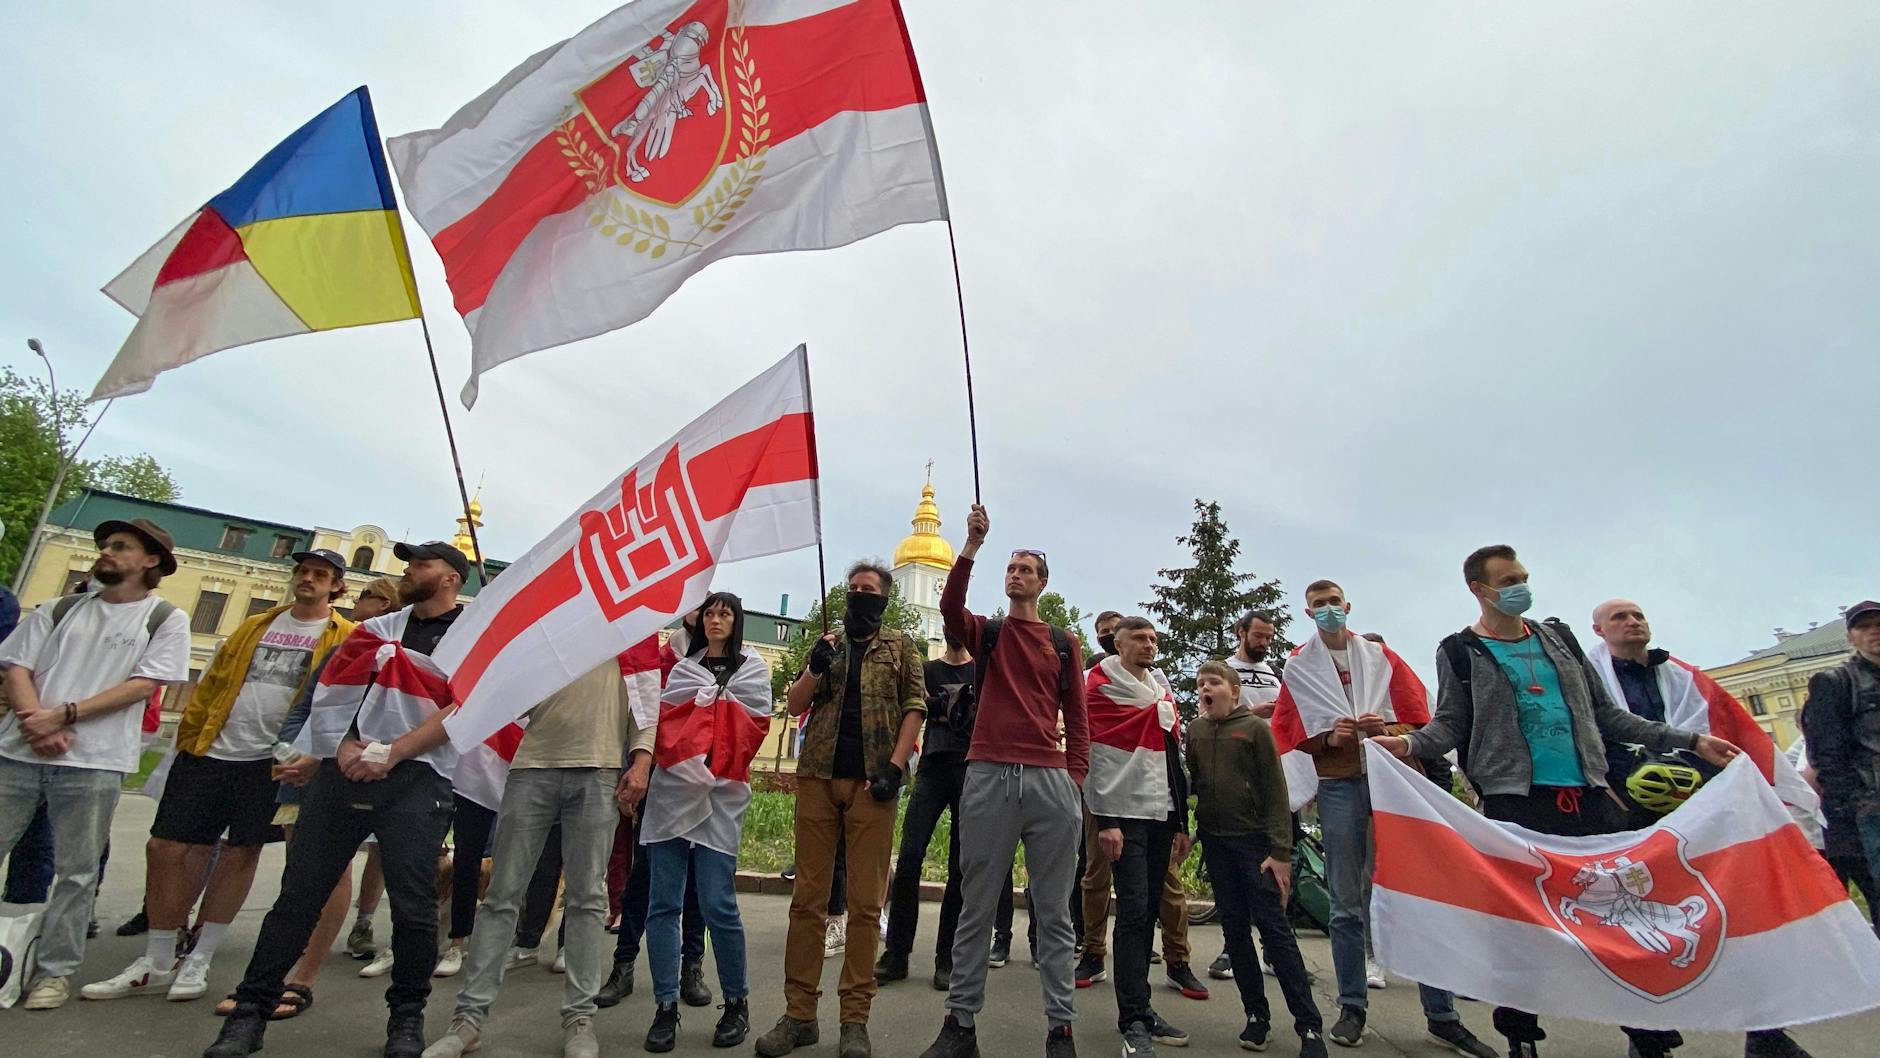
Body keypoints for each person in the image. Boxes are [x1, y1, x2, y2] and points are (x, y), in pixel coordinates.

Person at [1375, 545, 1739, 1058]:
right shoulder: (1461, 650)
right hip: (1516, 803)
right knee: (1523, 928)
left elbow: (1608, 716)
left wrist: (1690, 741)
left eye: (1523, 576)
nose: (1520, 586)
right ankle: (1521, 1036)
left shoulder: (1558, 640)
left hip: (1590, 797)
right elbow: (1453, 723)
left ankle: (1646, 1034)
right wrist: (1408, 744)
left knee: (1622, 913)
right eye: (1507, 580)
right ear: (1479, 590)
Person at [203, 541, 470, 1058]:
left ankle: (406, 1020)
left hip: (418, 778)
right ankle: (249, 1016)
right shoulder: (375, 632)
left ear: (451, 578)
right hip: (342, 773)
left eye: (422, 563)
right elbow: (334, 692)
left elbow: (466, 706)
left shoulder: (470, 638)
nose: (409, 569)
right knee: (297, 898)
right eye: (408, 561)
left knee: (414, 909)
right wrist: (341, 746)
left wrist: (392, 753)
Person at [83, 550, 354, 1003]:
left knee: (239, 853)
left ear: (336, 587)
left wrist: (310, 755)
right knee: (168, 846)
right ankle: (157, 956)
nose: (307, 579)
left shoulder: (344, 637)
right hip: (212, 748)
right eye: (302, 571)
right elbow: (213, 681)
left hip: (271, 762)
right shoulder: (257, 624)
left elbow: (337, 702)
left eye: (319, 575)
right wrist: (191, 735)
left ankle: (201, 956)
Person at [1270, 580, 1494, 1057]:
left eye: (1334, 602)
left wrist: (1385, 727)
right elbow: (1292, 728)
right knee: (1346, 902)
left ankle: (1442, 1014)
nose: (1329, 610)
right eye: (1319, 606)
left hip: (1393, 780)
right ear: (1308, 614)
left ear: (1348, 606)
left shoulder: (1382, 658)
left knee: (1417, 894)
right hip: (1339, 782)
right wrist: (1329, 740)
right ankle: (1352, 1006)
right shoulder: (1299, 665)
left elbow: (1421, 718)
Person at [1585, 599, 1817, 1058]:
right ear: (1598, 630)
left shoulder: (1686, 680)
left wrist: (1694, 779)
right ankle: (1648, 1038)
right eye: (1620, 617)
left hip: (1699, 815)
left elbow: (1722, 736)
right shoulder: (1587, 682)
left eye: (1638, 615)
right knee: (1635, 930)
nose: (1633, 622)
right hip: (1626, 820)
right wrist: (1617, 791)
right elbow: (1589, 737)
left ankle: (1767, 1032)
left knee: (1737, 917)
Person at [421, 655, 656, 1058]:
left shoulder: (628, 624)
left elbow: (645, 695)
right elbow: (514, 696)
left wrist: (642, 760)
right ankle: (468, 1020)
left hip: (598, 769)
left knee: (587, 900)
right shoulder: (552, 620)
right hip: (533, 765)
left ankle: (579, 1021)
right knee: (501, 897)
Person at [918, 504, 1087, 1058]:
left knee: (1055, 912)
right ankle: (959, 1026)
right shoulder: (986, 633)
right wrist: (970, 545)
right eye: (1011, 568)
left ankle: (1060, 1028)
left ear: (1042, 583)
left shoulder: (1062, 643)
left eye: (1027, 570)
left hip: (1049, 781)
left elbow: (1078, 717)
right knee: (976, 904)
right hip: (988, 774)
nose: (1016, 575)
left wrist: (1076, 780)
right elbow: (948, 609)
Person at [0, 517, 190, 1011]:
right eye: (105, 545)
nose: (106, 552)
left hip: (94, 763)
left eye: (120, 546)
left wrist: (64, 715)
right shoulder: (59, 608)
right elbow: (16, 665)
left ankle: (52, 973)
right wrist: (33, 721)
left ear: (150, 561)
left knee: (76, 872)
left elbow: (145, 684)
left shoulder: (164, 618)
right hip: (17, 752)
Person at [758, 562, 925, 1058]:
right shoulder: (828, 644)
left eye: (868, 591)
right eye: (852, 589)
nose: (858, 596)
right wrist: (813, 666)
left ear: (884, 600)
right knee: (808, 900)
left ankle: (854, 1018)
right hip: (818, 778)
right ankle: (799, 1014)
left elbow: (915, 704)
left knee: (865, 905)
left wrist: (896, 766)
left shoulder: (900, 646)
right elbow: (793, 704)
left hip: (873, 781)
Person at [638, 593, 771, 1053]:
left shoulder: (753, 670)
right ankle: (665, 1007)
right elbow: (665, 727)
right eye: (710, 612)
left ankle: (737, 1003)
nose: (715, 619)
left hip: (723, 794)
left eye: (725, 613)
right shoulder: (682, 670)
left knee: (719, 905)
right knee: (663, 905)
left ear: (738, 621)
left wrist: (714, 764)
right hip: (674, 793)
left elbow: (754, 728)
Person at [1189, 660, 1325, 1058]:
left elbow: (1275, 793)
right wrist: (1191, 832)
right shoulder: (1196, 732)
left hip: (1256, 848)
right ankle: (1256, 1016)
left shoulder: (1255, 730)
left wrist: (1280, 853)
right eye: (1200, 684)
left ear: (1234, 691)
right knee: (1234, 932)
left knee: (1276, 933)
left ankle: (1309, 1026)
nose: (1204, 689)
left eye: (1213, 682)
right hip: (1217, 845)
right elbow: (1196, 783)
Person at [876, 631, 1017, 991]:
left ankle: (947, 958)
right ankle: (896, 953)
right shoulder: (927, 669)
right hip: (932, 769)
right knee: (909, 857)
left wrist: (950, 708)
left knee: (959, 867)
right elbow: (916, 710)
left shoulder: (981, 671)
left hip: (970, 771)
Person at [1075, 612, 1205, 1003]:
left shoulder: (1160, 691)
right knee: (1106, 886)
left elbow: (1170, 755)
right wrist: (1106, 818)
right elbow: (1093, 753)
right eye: (1140, 638)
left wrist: (1181, 820)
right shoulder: (1095, 687)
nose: (1150, 644)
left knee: (1157, 895)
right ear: (1118, 644)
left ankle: (1176, 962)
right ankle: (1099, 960)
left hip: (1158, 807)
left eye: (1153, 638)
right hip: (1111, 807)